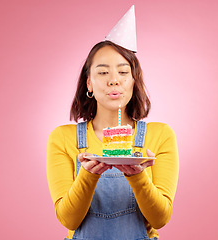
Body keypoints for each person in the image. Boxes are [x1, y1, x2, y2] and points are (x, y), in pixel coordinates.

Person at [47, 6, 179, 240]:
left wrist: (138, 176)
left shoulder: (161, 135)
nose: (114, 81)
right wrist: (87, 175)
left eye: (123, 72)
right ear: (89, 83)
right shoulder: (62, 138)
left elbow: (161, 218)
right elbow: (68, 220)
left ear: (133, 81)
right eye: (103, 72)